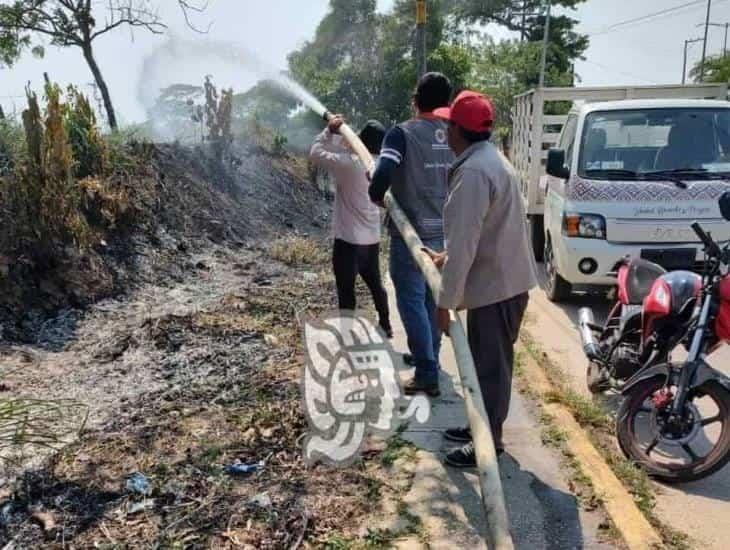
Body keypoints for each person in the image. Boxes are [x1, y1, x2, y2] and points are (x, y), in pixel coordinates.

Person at [428, 90, 537, 466]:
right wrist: (446, 257)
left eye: (447, 125)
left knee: (490, 368)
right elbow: (483, 230)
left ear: (457, 130)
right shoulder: (489, 160)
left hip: (497, 290)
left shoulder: (473, 172)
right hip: (503, 282)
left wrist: (444, 304)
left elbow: (465, 242)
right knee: (485, 363)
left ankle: (488, 443)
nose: (444, 131)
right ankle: (481, 427)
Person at [369, 72, 454, 397]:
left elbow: (380, 180)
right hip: (446, 237)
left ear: (415, 100)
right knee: (434, 297)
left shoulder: (401, 134)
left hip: (412, 236)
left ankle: (426, 371)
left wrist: (377, 194)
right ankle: (428, 356)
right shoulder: (456, 134)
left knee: (411, 298)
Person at [310, 115, 392, 336]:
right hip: (371, 241)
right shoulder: (380, 168)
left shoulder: (348, 163)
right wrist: (341, 135)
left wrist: (330, 131)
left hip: (348, 242)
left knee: (346, 290)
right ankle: (385, 324)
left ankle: (347, 334)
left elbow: (316, 153)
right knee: (376, 285)